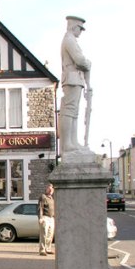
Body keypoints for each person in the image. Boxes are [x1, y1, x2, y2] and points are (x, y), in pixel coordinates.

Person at [60, 15, 92, 156]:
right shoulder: (69, 40)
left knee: (74, 112)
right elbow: (79, 60)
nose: (80, 32)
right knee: (69, 110)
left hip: (76, 79)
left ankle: (73, 141)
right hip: (72, 78)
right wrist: (87, 63)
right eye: (79, 28)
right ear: (73, 26)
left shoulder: (71, 40)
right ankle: (67, 143)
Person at [37, 183, 55, 256]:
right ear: (46, 189)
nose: (50, 190)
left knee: (50, 235)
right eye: (49, 188)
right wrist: (40, 218)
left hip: (52, 218)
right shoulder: (43, 197)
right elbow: (40, 208)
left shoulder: (52, 198)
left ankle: (48, 248)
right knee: (44, 234)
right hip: (45, 217)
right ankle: (42, 250)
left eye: (52, 189)